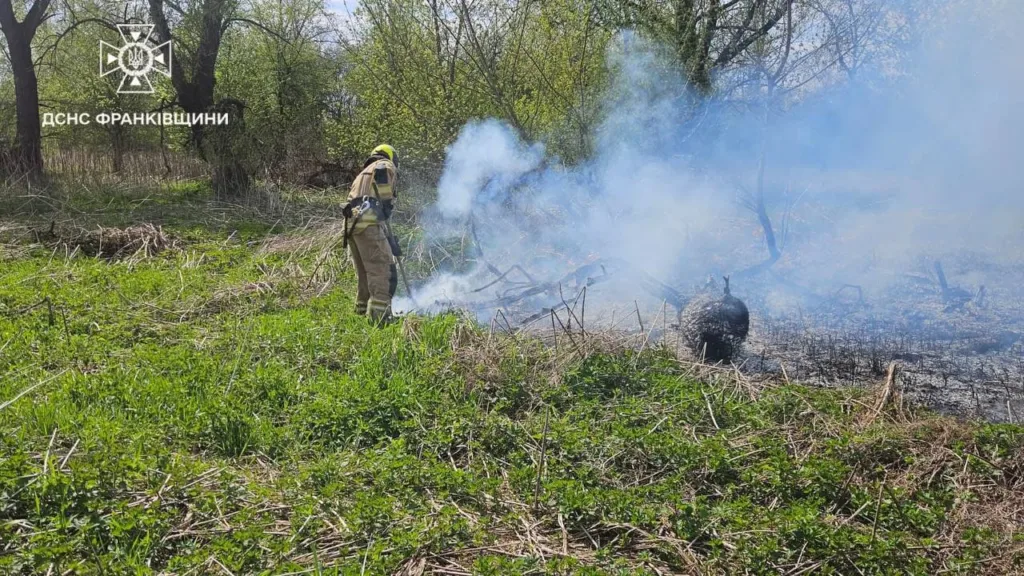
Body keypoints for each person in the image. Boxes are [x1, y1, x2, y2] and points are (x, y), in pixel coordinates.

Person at [343, 144, 399, 324]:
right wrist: (387, 204)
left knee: (365, 273)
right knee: (383, 270)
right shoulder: (384, 165)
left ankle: (360, 313)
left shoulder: (362, 173)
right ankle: (381, 319)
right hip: (369, 223)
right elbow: (383, 177)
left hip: (351, 226)